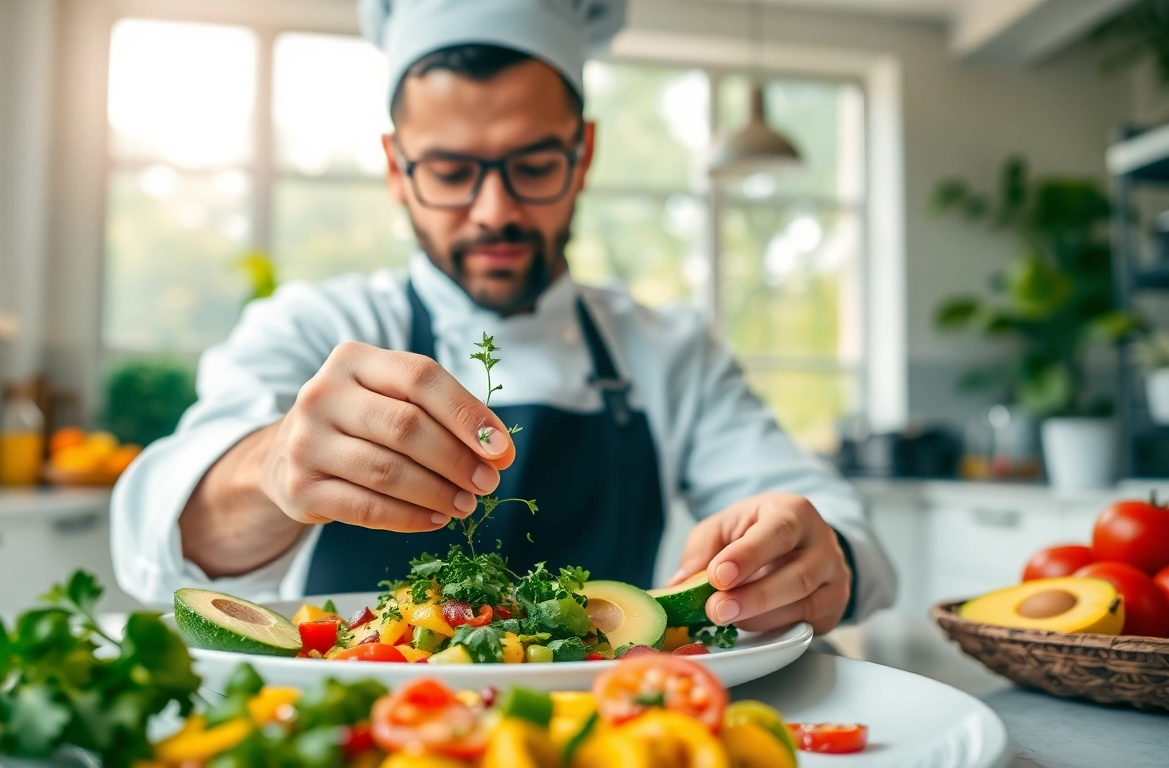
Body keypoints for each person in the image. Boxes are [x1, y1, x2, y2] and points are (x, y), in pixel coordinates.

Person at [111, 0, 895, 635]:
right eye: (451, 170)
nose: (495, 211)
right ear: (396, 170)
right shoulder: (316, 325)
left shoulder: (670, 350)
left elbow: (847, 538)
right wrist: (271, 467)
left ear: (583, 155)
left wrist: (815, 556)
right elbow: (155, 546)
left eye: (532, 166)